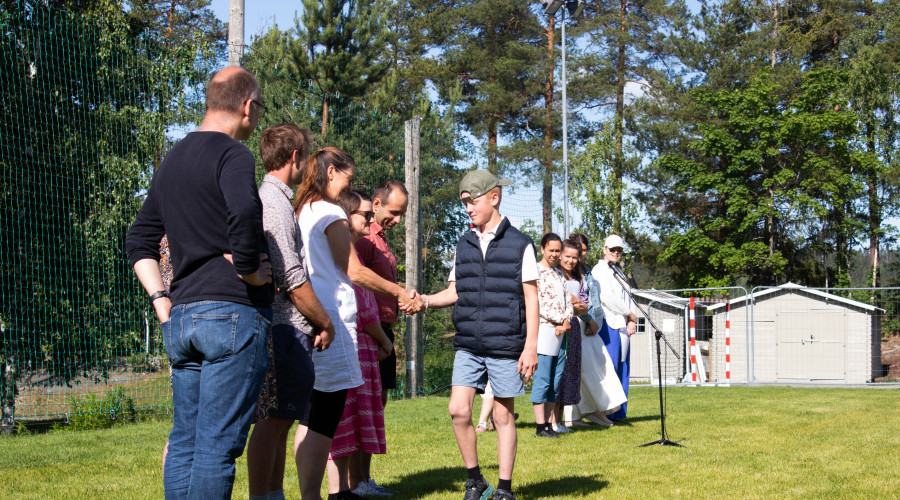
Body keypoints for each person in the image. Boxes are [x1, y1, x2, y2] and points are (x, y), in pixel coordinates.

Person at [126, 66, 273, 499]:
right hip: (231, 314)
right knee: (216, 447)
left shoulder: (173, 159)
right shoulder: (233, 155)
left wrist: (160, 299)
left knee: (186, 443)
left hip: (183, 318)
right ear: (247, 106)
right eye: (259, 108)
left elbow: (139, 238)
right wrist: (248, 268)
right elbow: (244, 212)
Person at [292, 147, 420, 500]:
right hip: (331, 324)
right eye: (348, 178)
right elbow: (354, 271)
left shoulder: (302, 210)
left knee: (309, 417)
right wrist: (400, 291)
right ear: (331, 172)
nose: (349, 186)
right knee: (325, 421)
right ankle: (319, 495)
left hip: (311, 320)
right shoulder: (329, 211)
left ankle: (315, 493)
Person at [411, 170, 539, 500]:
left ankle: (505, 489)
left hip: (505, 343)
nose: (468, 209)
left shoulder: (520, 244)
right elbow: (454, 292)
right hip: (468, 343)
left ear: (493, 197)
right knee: (458, 410)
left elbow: (531, 298)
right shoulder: (463, 244)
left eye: (473, 201)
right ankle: (476, 480)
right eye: (465, 203)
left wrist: (531, 347)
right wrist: (424, 300)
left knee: (501, 414)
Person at [246, 124, 337, 500]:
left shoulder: (277, 200)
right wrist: (325, 321)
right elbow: (292, 276)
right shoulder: (276, 204)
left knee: (281, 420)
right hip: (283, 328)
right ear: (295, 157)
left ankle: (273, 493)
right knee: (274, 419)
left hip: (288, 326)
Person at [326, 190, 395, 498]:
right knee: (345, 418)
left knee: (361, 415)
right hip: (357, 343)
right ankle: (345, 487)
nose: (371, 220)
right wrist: (385, 341)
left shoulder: (354, 248)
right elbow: (363, 305)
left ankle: (357, 484)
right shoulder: (350, 254)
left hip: (366, 346)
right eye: (365, 215)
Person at [352, 180, 408, 496]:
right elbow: (357, 281)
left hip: (384, 329)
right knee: (365, 407)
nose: (397, 220)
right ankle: (355, 481)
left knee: (376, 406)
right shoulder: (363, 241)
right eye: (394, 212)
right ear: (376, 204)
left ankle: (364, 478)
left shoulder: (381, 240)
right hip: (369, 333)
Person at [569, 233, 624, 427]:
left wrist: (594, 323)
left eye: (584, 250)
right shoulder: (568, 273)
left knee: (601, 365)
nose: (582, 254)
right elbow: (575, 302)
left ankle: (597, 409)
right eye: (579, 250)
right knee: (583, 370)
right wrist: (589, 320)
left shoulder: (587, 272)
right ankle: (577, 413)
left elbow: (595, 302)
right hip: (579, 323)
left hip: (590, 324)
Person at [591, 234, 637, 421]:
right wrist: (628, 314)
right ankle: (605, 411)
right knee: (609, 368)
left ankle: (620, 412)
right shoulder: (599, 270)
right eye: (612, 249)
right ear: (605, 249)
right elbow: (607, 298)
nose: (616, 253)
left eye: (619, 250)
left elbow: (630, 295)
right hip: (609, 323)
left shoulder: (620, 271)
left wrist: (632, 319)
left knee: (623, 366)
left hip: (623, 324)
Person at [531, 233, 571, 439]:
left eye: (558, 251)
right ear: (542, 249)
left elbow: (568, 302)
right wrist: (559, 320)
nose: (555, 255)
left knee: (555, 380)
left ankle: (548, 423)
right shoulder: (535, 272)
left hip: (561, 333)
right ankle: (540, 426)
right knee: (543, 379)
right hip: (545, 331)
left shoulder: (559, 275)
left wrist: (566, 321)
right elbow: (539, 304)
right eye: (551, 250)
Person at [552, 238, 589, 434]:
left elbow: (583, 307)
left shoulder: (576, 278)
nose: (571, 260)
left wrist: (581, 306)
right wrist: (573, 304)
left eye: (575, 257)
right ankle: (551, 421)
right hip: (558, 326)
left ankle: (559, 421)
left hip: (574, 327)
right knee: (558, 373)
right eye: (567, 256)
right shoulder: (554, 275)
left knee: (569, 373)